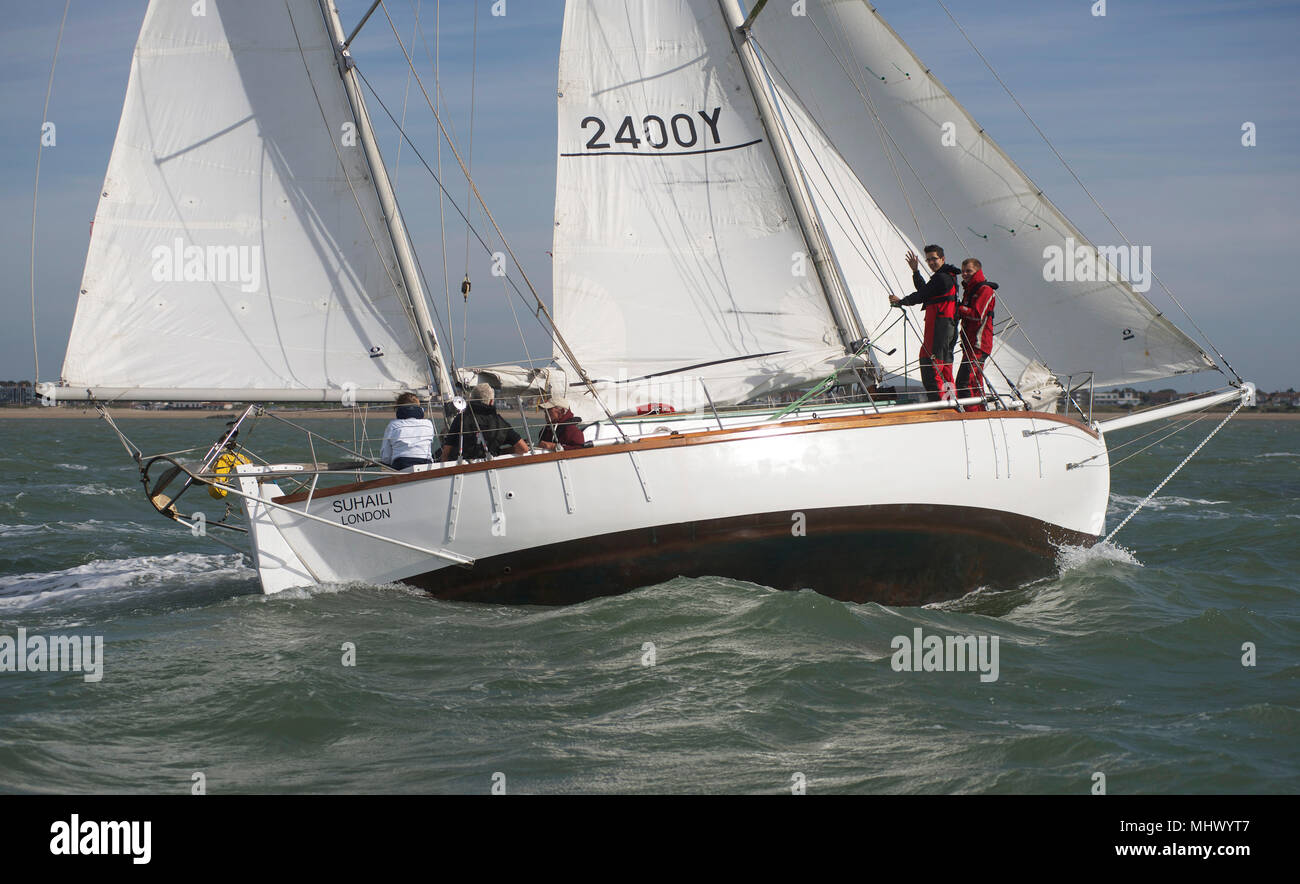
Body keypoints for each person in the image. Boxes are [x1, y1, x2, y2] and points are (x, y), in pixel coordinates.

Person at [889, 245, 960, 402]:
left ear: (943, 259)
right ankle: (951, 401)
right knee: (945, 366)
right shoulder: (948, 277)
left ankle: (940, 404)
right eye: (928, 260)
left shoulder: (941, 278)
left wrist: (901, 301)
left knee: (930, 362)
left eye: (934, 259)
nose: (931, 262)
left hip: (939, 327)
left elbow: (921, 295)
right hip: (947, 327)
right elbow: (927, 291)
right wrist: (915, 271)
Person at [440, 383, 530, 462]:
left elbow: (446, 452)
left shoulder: (461, 419)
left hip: (463, 467)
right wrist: (502, 452)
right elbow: (523, 448)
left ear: (471, 399)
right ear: (491, 401)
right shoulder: (499, 422)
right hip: (490, 465)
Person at [956, 258, 998, 411]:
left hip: (979, 344)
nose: (965, 274)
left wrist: (957, 308)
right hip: (970, 345)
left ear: (977, 271)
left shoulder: (985, 290)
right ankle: (980, 413)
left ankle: (974, 415)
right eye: (963, 271)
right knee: (973, 383)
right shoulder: (970, 290)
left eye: (969, 271)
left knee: (964, 382)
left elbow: (977, 314)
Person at [381, 392, 435, 470]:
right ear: (420, 409)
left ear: (398, 409)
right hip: (425, 465)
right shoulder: (428, 424)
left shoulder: (393, 425)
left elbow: (386, 458)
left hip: (401, 465)